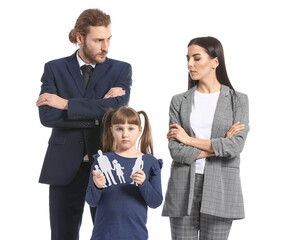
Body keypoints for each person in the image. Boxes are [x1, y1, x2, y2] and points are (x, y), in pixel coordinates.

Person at [36, 9, 132, 240]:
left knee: (109, 234)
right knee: (62, 235)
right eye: (98, 40)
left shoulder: (121, 69)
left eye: (108, 39)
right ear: (80, 38)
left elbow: (117, 111)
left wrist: (66, 104)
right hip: (63, 167)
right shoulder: (55, 68)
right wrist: (100, 108)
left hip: (107, 166)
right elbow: (47, 116)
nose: (105, 46)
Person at [162, 36, 249, 240]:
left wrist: (189, 139)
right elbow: (176, 150)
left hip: (221, 185)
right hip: (183, 185)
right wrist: (219, 146)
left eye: (197, 58)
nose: (190, 64)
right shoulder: (179, 101)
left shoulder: (238, 100)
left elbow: (235, 146)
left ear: (215, 62)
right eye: (188, 58)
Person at [85, 106, 163, 240]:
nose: (125, 134)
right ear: (112, 131)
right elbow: (91, 201)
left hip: (135, 235)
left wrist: (144, 184)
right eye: (119, 129)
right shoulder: (102, 160)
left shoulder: (150, 162)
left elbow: (155, 202)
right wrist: (97, 186)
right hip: (103, 235)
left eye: (130, 128)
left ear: (139, 131)